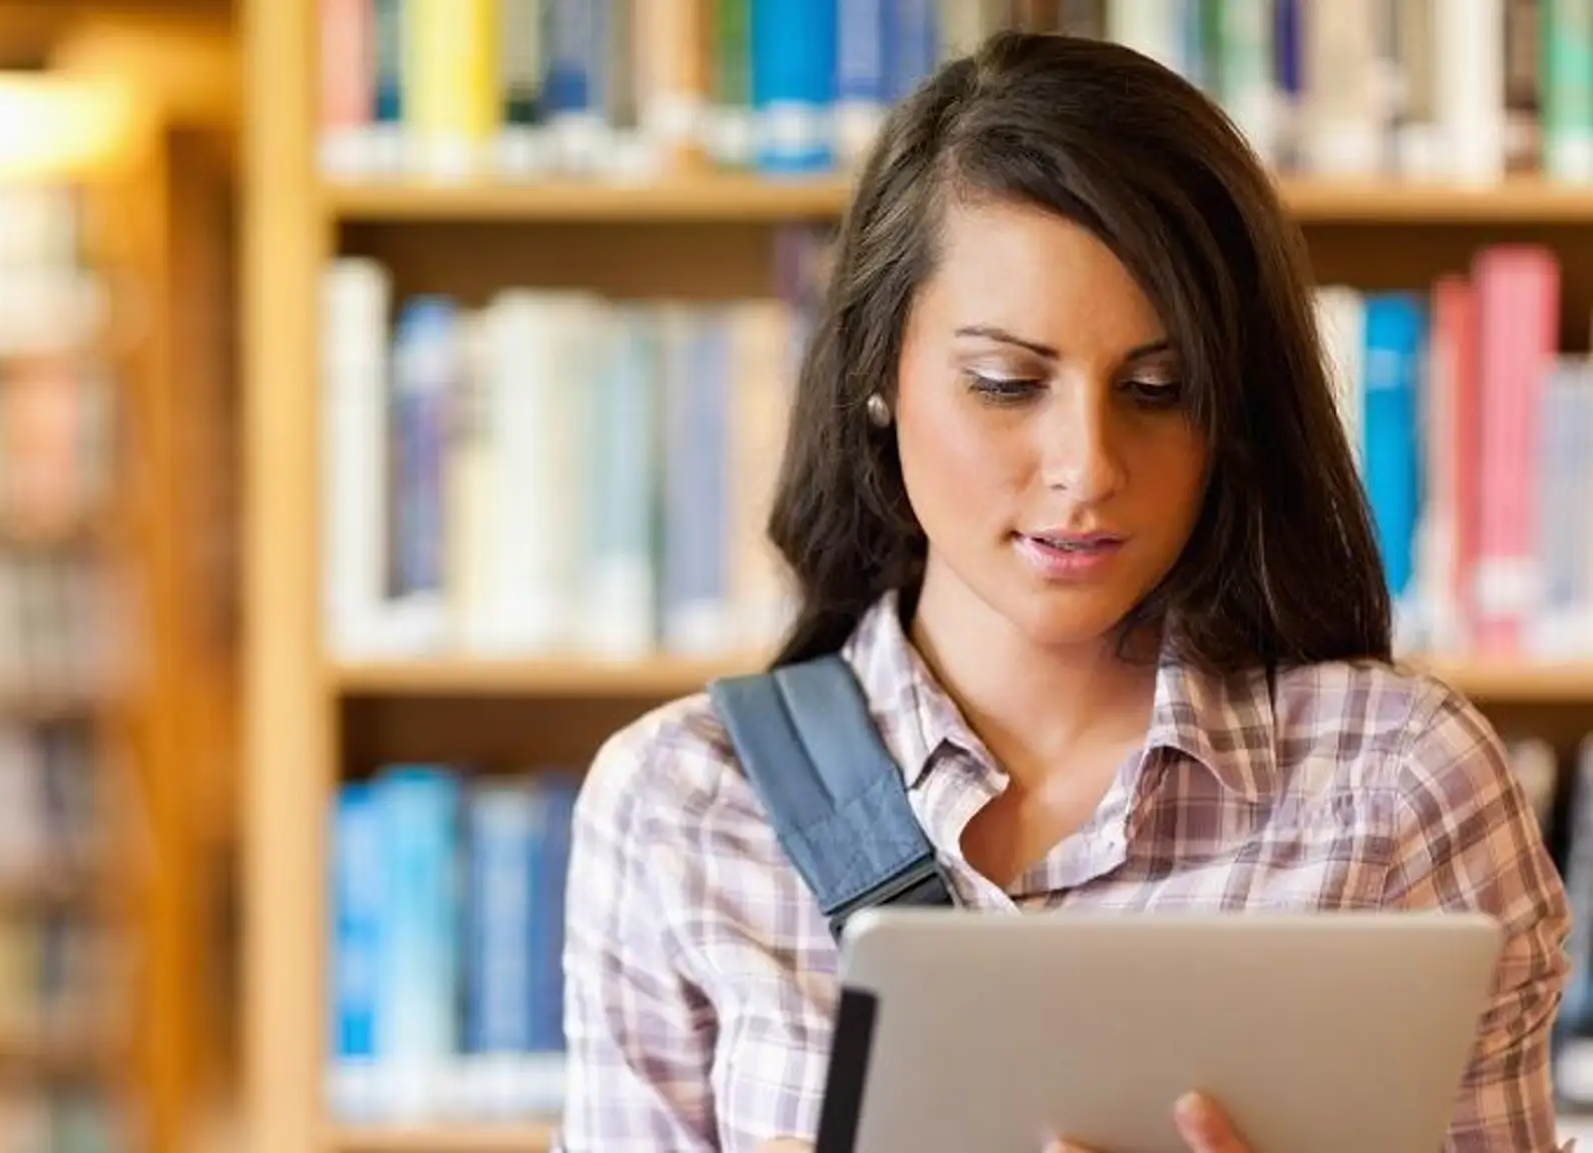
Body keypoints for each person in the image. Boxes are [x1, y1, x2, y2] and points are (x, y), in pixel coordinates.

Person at [553, 28, 1571, 1153]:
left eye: (1156, 387)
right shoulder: (682, 804)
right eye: (1004, 383)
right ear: (875, 376)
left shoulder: (1395, 785)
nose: (1084, 467)